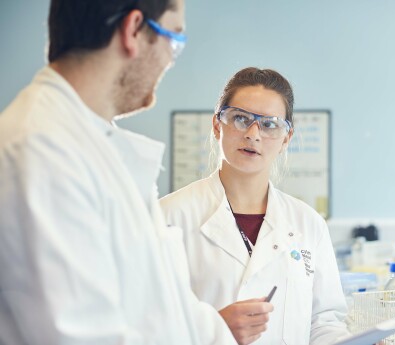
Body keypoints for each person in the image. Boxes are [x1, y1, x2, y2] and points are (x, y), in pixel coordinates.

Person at [0, 1, 242, 344]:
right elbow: (80, 336)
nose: (169, 61)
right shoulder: (42, 150)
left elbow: (162, 306)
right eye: (174, 39)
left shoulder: (94, 144)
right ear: (133, 30)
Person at [160, 67, 350, 344]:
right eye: (240, 118)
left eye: (270, 124)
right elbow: (144, 322)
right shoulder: (168, 216)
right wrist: (211, 330)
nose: (253, 134)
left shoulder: (308, 223)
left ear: (286, 138)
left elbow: (324, 321)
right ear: (217, 125)